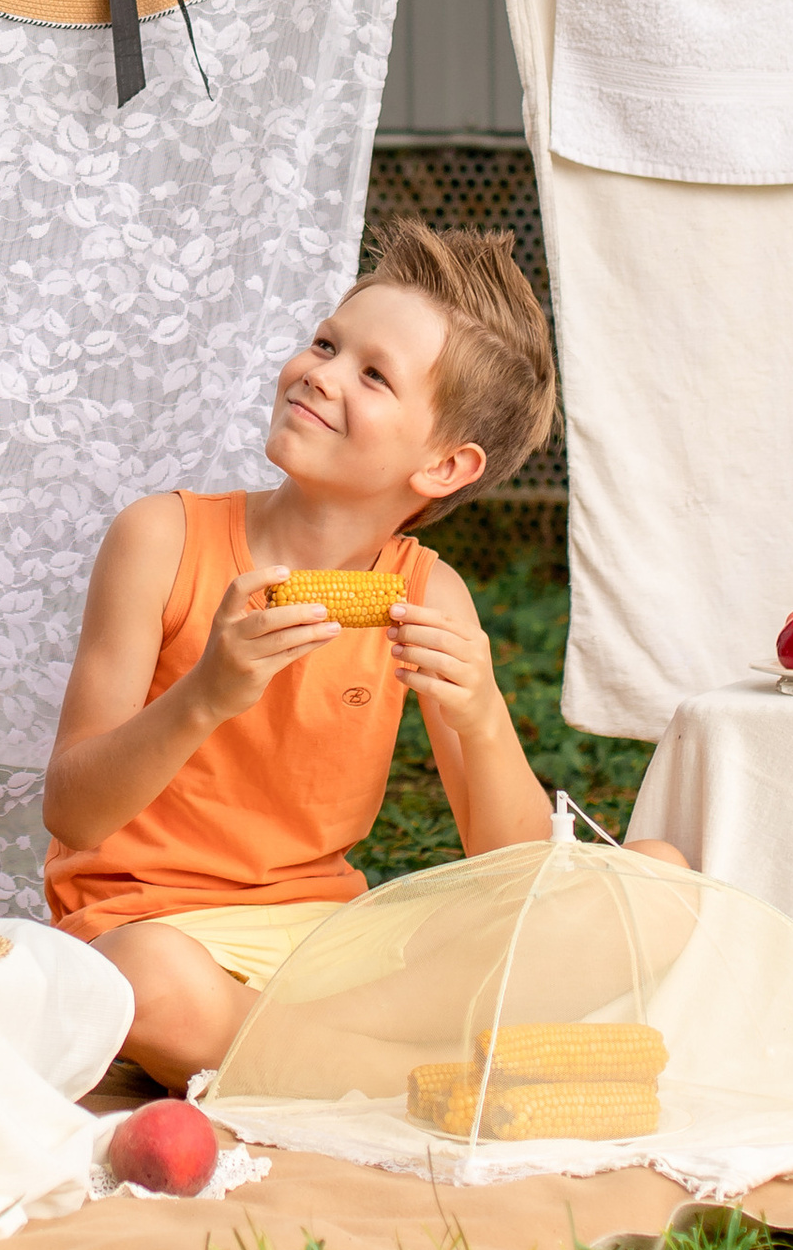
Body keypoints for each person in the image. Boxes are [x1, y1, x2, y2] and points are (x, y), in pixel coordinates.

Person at [42, 221, 680, 1088]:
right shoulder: (161, 539)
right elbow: (73, 812)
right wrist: (206, 695)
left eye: (372, 375)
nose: (320, 373)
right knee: (148, 986)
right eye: (325, 344)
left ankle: (309, 1059)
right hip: (159, 932)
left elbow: (522, 870)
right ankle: (410, 1070)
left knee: (659, 885)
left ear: (445, 465)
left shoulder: (427, 593)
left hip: (333, 948)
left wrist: (481, 716)